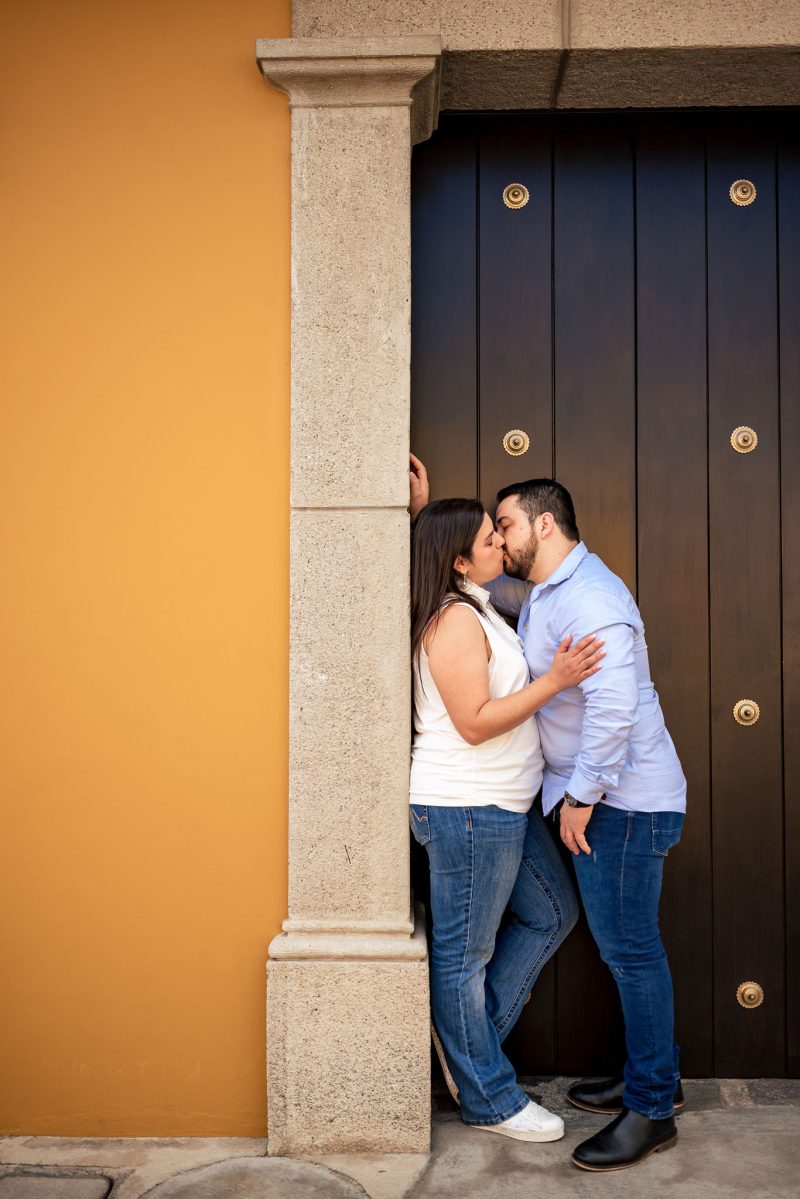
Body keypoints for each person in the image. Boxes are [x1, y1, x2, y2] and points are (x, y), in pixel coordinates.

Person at [409, 455, 687, 1173]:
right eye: (489, 534)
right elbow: (449, 573)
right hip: (507, 802)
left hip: (618, 802)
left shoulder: (586, 597)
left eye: (503, 526)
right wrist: (419, 520)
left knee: (626, 949)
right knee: (601, 945)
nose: (499, 541)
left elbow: (615, 708)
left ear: (542, 524)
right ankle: (623, 1078)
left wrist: (583, 796)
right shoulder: (525, 596)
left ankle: (652, 1103)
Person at [409, 495, 604, 1142]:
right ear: (460, 561)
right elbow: (473, 722)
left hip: (502, 806)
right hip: (468, 808)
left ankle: (468, 1045)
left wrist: (419, 510)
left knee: (552, 912)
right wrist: (556, 680)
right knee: (464, 956)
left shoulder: (479, 604)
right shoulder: (453, 620)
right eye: (488, 538)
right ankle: (489, 1097)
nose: (500, 541)